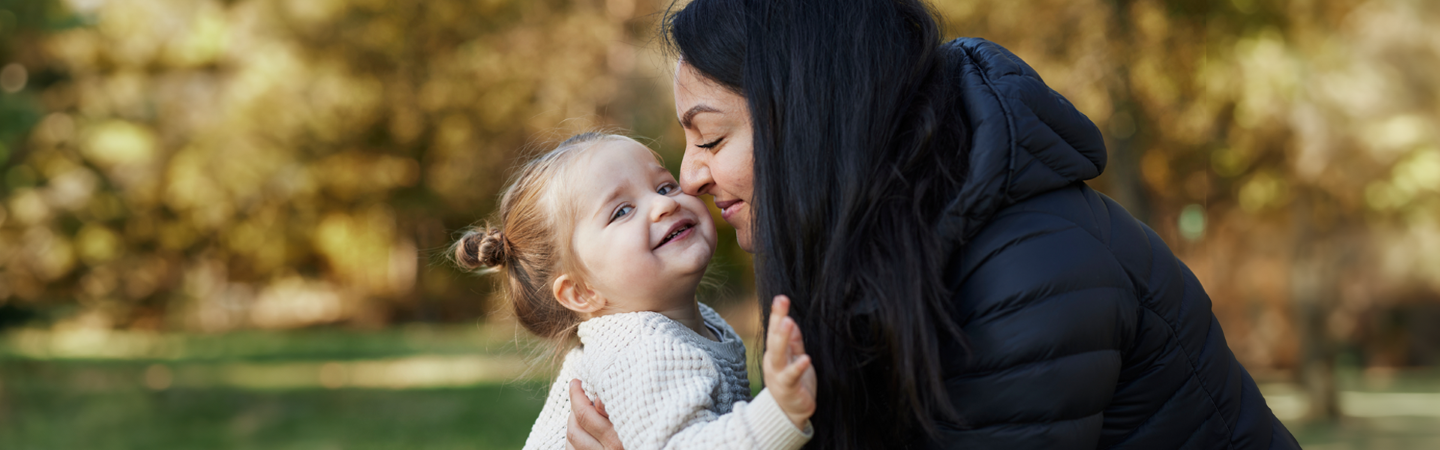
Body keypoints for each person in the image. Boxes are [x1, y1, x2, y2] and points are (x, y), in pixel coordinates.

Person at [565, 0, 1303, 449]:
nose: (689, 176)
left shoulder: (1025, 274)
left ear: (812, 126)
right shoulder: (882, 257)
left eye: (712, 138)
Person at [452, 132, 818, 450]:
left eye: (664, 185)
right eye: (622, 211)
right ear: (581, 292)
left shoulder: (691, 324)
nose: (664, 204)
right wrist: (779, 412)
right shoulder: (638, 348)